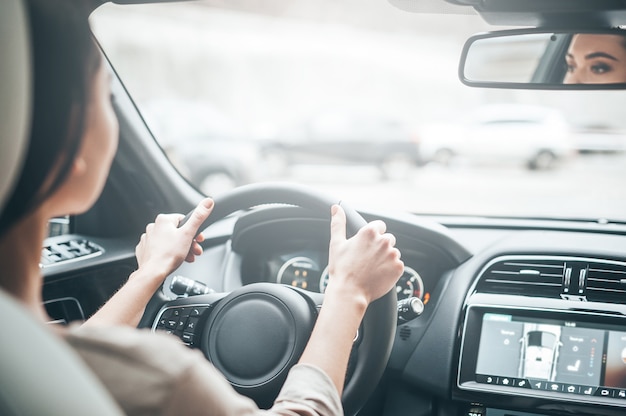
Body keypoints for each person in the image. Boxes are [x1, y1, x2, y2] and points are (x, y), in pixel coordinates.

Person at [0, 0, 404, 414]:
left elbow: (70, 363)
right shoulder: (163, 384)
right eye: (105, 94)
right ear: (70, 138)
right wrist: (348, 293)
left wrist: (149, 273)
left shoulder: (26, 361)